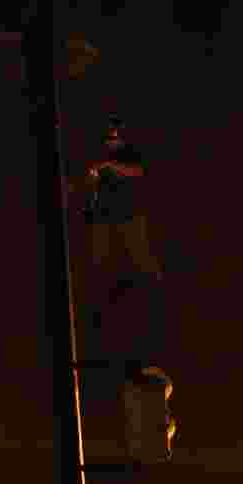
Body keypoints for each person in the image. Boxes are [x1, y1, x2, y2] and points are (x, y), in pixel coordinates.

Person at [83, 115, 162, 332]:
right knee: (100, 260)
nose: (111, 139)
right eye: (108, 136)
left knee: (141, 259)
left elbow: (138, 171)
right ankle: (100, 301)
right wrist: (93, 179)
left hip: (130, 214)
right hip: (105, 216)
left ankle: (154, 296)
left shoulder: (130, 152)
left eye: (114, 134)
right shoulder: (100, 155)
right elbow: (92, 186)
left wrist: (110, 166)